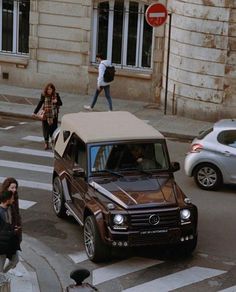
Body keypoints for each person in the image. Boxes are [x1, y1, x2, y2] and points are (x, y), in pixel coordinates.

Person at [32, 83, 62, 150]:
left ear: (53, 89)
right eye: (48, 89)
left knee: (53, 129)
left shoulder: (56, 95)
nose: (49, 90)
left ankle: (52, 143)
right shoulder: (43, 95)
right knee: (45, 129)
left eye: (50, 89)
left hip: (54, 115)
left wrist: (56, 101)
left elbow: (61, 103)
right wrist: (35, 112)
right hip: (45, 115)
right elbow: (40, 103)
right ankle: (46, 143)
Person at [0, 191, 21, 274]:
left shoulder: (9, 208)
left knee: (15, 260)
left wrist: (14, 229)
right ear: (7, 200)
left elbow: (9, 224)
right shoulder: (0, 212)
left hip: (10, 242)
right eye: (12, 198)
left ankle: (3, 274)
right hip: (2, 244)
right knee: (0, 265)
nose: (13, 200)